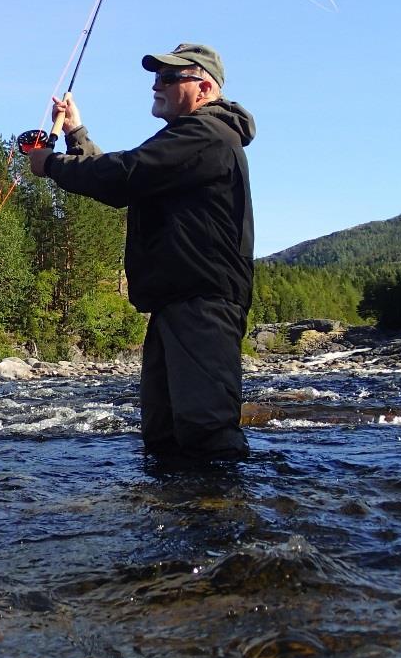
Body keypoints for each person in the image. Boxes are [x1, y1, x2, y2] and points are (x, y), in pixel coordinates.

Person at [28, 42, 255, 461]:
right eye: (156, 77)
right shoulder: (190, 138)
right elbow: (130, 177)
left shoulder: (205, 135)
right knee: (163, 436)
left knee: (206, 433)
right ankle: (180, 517)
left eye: (169, 78)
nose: (157, 85)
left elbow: (126, 174)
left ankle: (220, 518)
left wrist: (52, 165)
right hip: (177, 305)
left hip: (201, 305)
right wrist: (76, 135)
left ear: (204, 87)